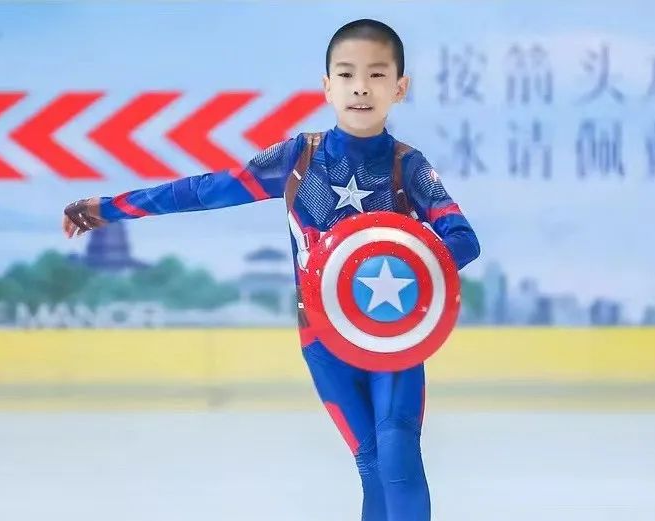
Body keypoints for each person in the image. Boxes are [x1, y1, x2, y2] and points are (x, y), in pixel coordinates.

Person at [62, 18, 480, 521]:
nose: (361, 87)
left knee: (398, 457)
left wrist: (409, 264)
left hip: (392, 339)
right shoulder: (297, 157)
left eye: (376, 74)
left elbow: (463, 239)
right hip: (323, 339)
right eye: (346, 74)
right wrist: (111, 208)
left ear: (399, 87)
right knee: (371, 464)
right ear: (327, 86)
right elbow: (205, 191)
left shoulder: (408, 166)